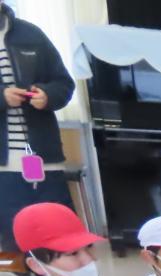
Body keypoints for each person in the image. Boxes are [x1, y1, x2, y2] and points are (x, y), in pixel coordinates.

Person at [0, 2, 79, 251]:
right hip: (3, 172)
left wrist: (48, 95)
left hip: (45, 161)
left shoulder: (30, 34)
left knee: (64, 242)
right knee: (17, 247)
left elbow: (64, 84)